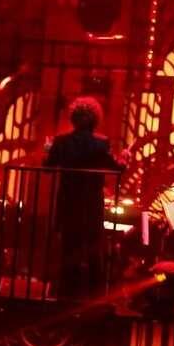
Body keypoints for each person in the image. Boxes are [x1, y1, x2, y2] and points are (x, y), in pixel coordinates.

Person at [45, 96, 129, 298]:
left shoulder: (61, 142)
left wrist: (48, 149)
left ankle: (65, 294)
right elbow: (116, 168)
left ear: (73, 118)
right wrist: (125, 159)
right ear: (95, 120)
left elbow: (48, 168)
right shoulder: (101, 143)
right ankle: (94, 294)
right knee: (93, 248)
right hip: (91, 203)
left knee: (69, 247)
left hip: (68, 202)